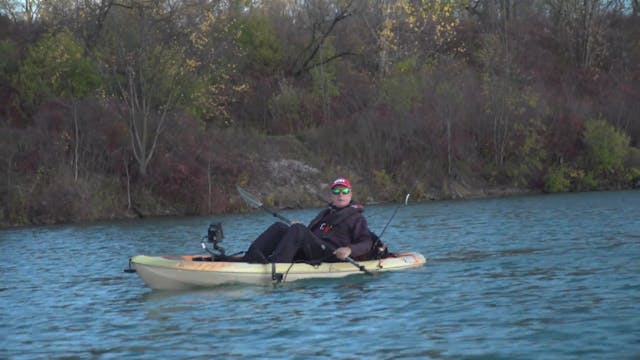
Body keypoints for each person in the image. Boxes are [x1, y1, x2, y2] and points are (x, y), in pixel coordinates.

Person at [242, 177, 373, 264]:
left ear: (350, 194)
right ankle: (249, 258)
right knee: (280, 227)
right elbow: (308, 234)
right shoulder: (325, 213)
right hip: (315, 250)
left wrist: (349, 250)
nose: (341, 194)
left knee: (298, 230)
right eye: (337, 191)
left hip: (331, 255)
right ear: (331, 194)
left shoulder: (356, 217)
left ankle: (277, 265)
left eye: (345, 191)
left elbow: (366, 242)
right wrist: (297, 228)